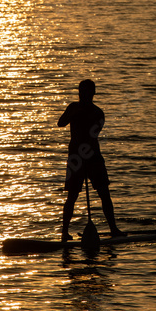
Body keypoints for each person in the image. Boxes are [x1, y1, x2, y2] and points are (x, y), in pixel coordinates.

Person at [57, 79, 126, 242]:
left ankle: (114, 229)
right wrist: (72, 114)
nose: (83, 95)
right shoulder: (73, 107)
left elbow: (92, 136)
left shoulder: (98, 113)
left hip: (93, 158)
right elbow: (60, 123)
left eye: (86, 92)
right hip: (75, 159)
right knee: (72, 196)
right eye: (81, 91)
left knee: (104, 193)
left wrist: (86, 154)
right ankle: (64, 232)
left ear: (93, 93)